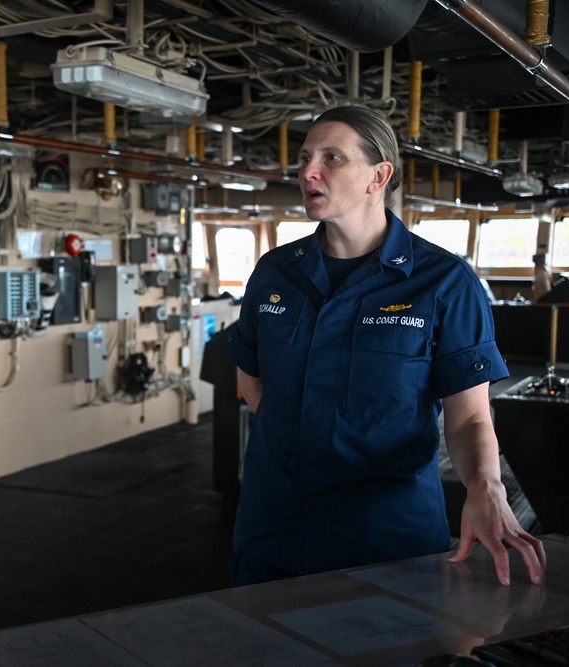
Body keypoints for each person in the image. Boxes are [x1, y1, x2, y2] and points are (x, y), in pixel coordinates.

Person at [223, 105, 546, 588]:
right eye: (306, 157)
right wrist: (302, 438)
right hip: (273, 528)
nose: (308, 171)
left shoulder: (443, 283)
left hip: (385, 539)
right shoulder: (275, 272)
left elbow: (472, 417)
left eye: (332, 158)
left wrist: (486, 486)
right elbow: (249, 377)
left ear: (379, 176)